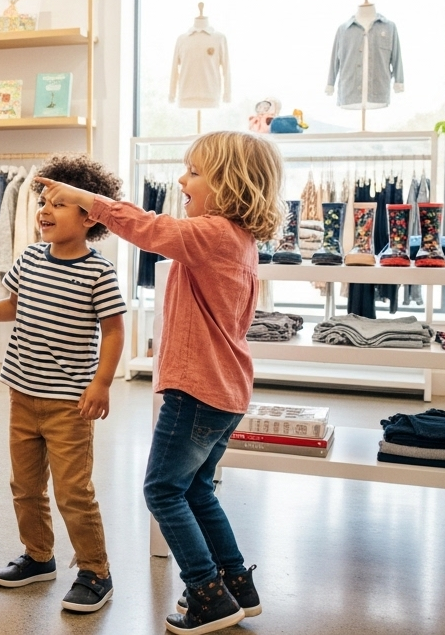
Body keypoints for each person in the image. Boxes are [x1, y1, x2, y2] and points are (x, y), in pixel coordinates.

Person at [35, 131, 283, 635]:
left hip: (197, 390)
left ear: (229, 183)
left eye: (193, 172)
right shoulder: (240, 238)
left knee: (162, 490)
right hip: (226, 390)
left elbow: (147, 229)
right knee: (196, 490)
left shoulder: (212, 232)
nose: (181, 179)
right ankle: (237, 584)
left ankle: (207, 596)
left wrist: (89, 200)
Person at [0, 155, 125, 613]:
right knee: (25, 485)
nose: (44, 211)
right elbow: (12, 306)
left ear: (90, 216)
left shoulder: (99, 271)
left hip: (70, 402)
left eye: (60, 204)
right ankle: (38, 556)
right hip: (22, 393)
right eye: (43, 202)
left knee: (73, 491)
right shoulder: (29, 257)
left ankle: (95, 570)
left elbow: (114, 331)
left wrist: (102, 383)